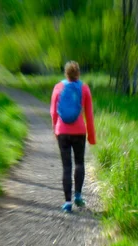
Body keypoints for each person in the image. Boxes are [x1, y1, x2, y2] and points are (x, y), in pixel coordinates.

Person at [50, 61, 96, 213]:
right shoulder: (84, 88)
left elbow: (53, 113)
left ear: (66, 73)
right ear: (78, 73)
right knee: (79, 163)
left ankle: (67, 202)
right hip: (79, 132)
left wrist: (55, 130)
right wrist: (91, 136)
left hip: (62, 132)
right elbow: (89, 115)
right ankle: (78, 195)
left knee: (66, 167)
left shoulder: (58, 87)